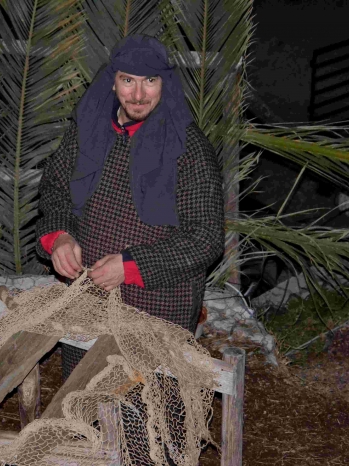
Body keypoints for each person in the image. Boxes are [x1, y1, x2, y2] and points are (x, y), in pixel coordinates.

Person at [35, 34, 225, 380]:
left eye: (149, 81)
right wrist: (59, 237)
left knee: (141, 416)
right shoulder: (88, 131)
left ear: (164, 84)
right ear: (113, 82)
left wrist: (131, 266)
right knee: (82, 401)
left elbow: (206, 238)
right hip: (88, 298)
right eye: (128, 81)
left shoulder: (189, 148)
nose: (138, 95)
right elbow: (55, 190)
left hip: (158, 308)